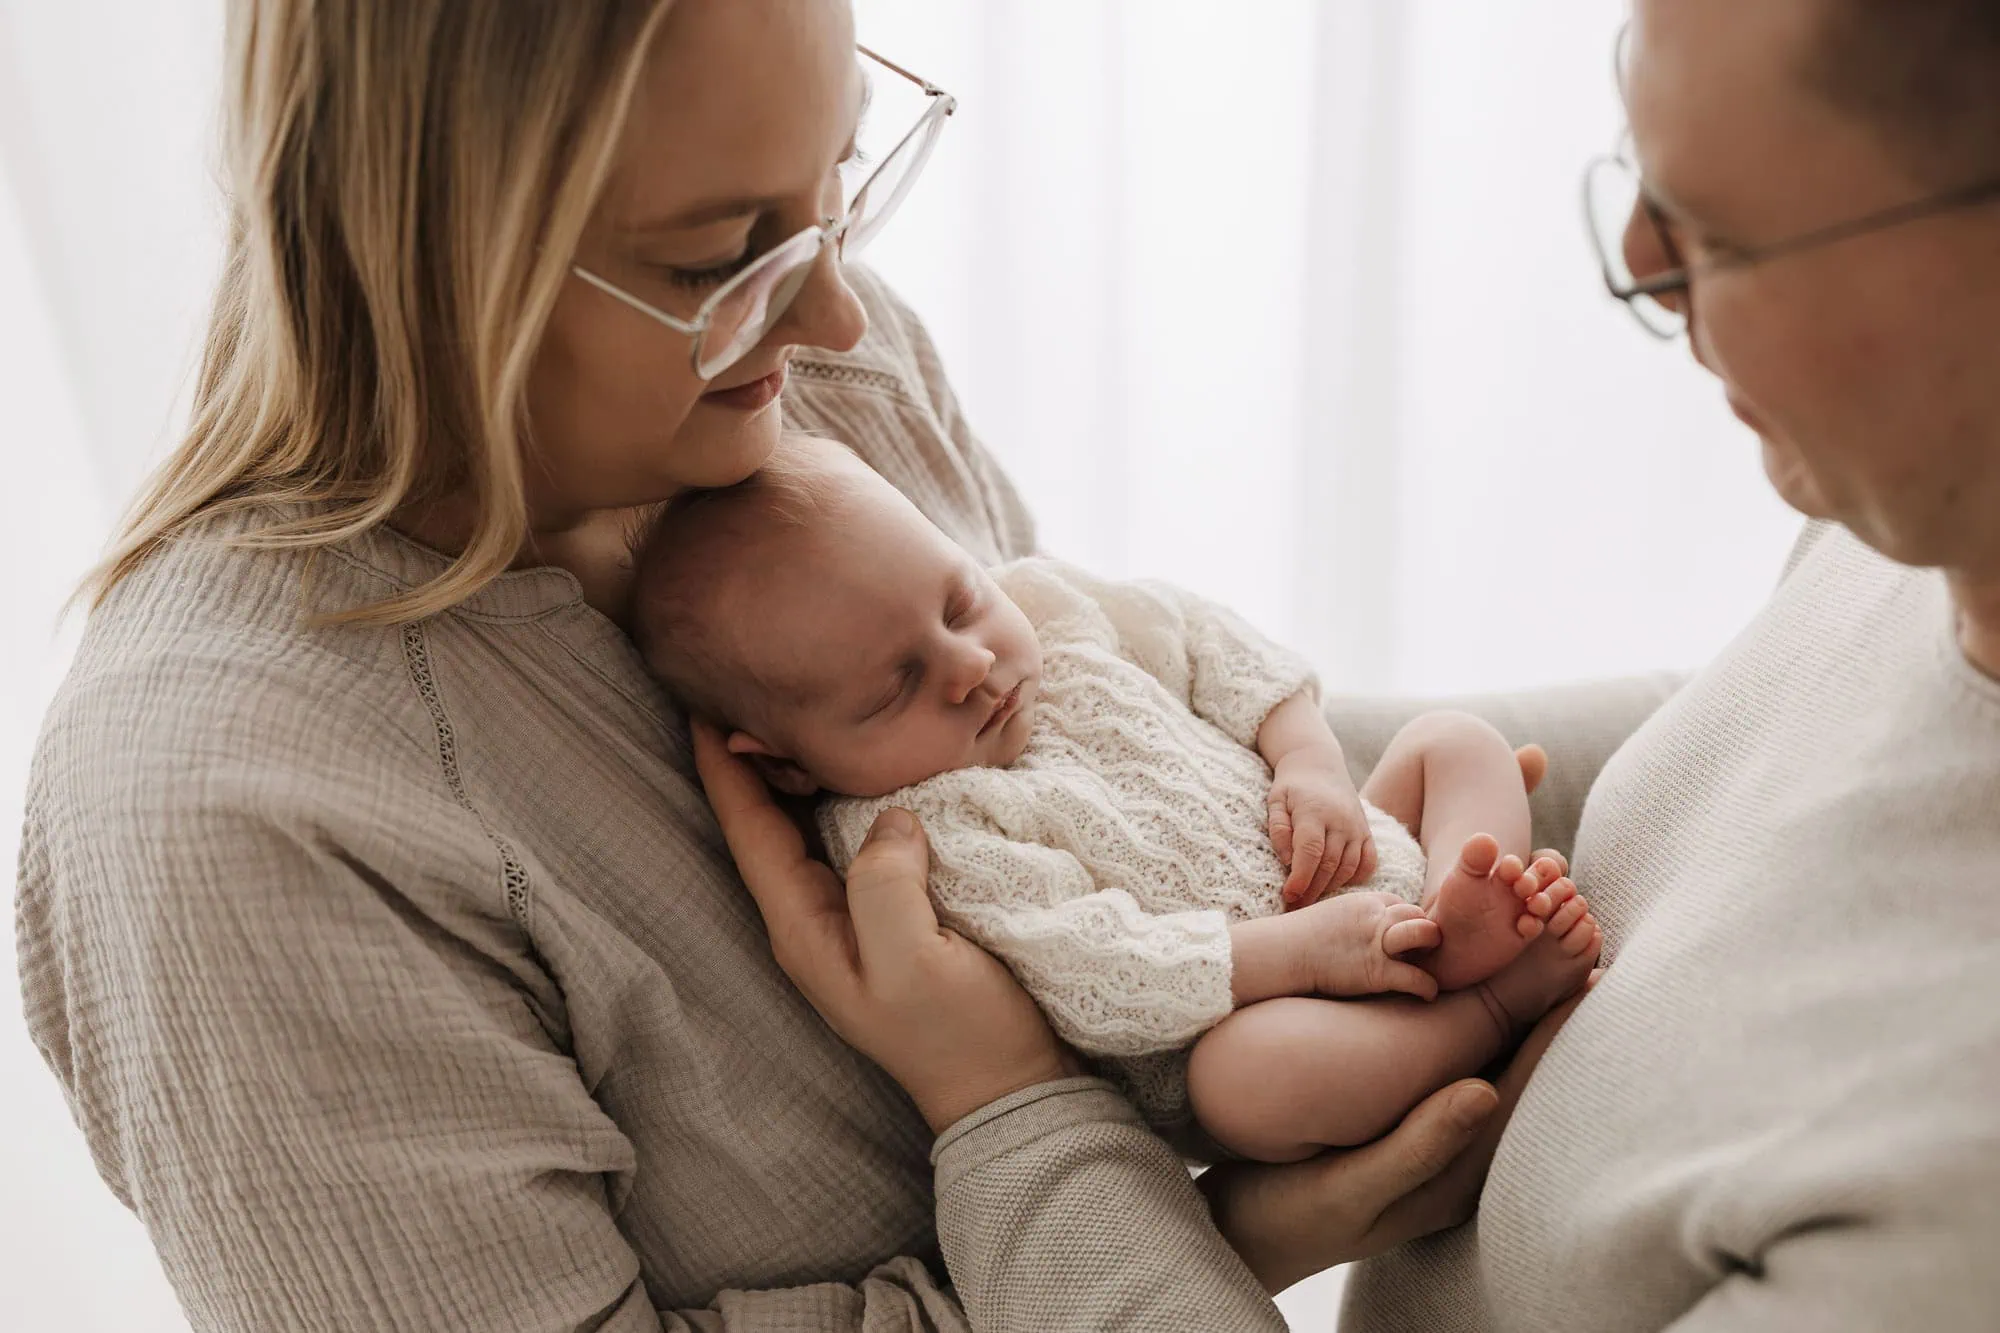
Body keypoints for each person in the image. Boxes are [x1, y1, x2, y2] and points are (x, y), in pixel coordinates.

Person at [12, 0, 1674, 1328]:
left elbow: (1144, 778)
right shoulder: (236, 817)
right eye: (725, 254)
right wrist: (1179, 1215)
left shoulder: (801, 405)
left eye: (844, 184)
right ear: (422, 234)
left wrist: (1764, 694)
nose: (843, 329)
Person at [1340, 0, 2000, 1328]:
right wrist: (1180, 731)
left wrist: (1021, 1133)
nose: (1640, 264)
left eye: (1722, 236)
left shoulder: (1956, 1209)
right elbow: (1749, 761)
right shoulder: (1918, 519)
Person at [627, 434, 1604, 1165]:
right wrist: (1302, 951)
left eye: (959, 601)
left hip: (1347, 862)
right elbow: (1086, 967)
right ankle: (1487, 1003)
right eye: (892, 687)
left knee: (1453, 741)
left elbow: (1209, 643)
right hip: (1263, 1011)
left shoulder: (1048, 606)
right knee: (1249, 1085)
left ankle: (1461, 900)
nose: (969, 664)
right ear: (789, 765)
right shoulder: (921, 835)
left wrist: (1304, 759)